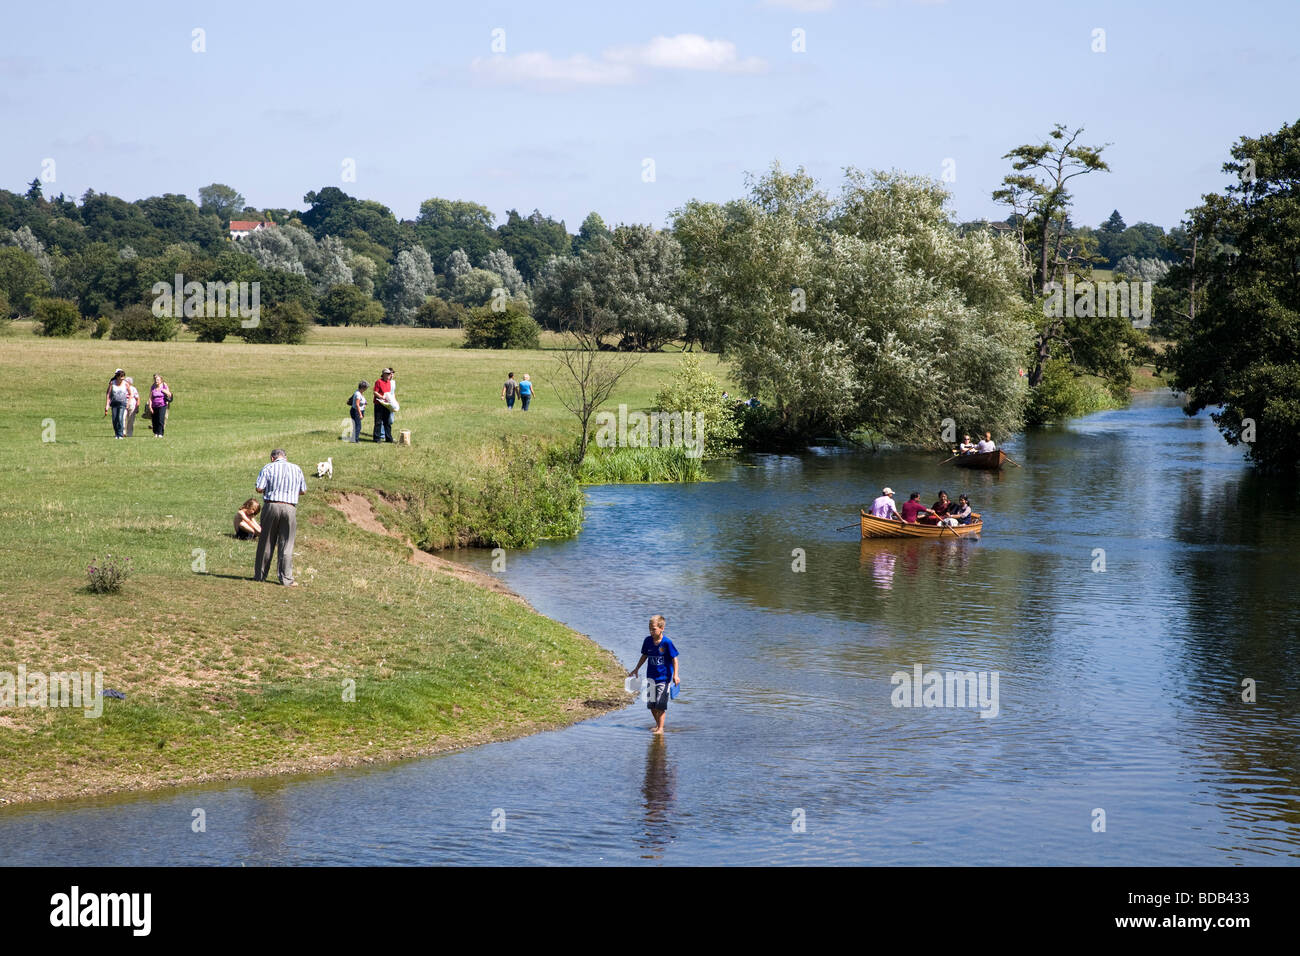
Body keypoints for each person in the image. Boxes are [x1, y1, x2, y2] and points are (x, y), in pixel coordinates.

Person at [253, 448, 307, 586]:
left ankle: (260, 576)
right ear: (285, 457)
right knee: (287, 544)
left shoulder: (268, 467)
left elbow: (259, 488)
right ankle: (286, 579)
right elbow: (303, 491)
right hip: (290, 507)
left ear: (272, 458)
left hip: (271, 505)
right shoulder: (297, 469)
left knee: (266, 542)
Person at [628, 615, 679, 735]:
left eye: (654, 629)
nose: (651, 631)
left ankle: (660, 729)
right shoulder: (647, 641)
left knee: (660, 704)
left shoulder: (667, 643)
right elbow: (644, 656)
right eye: (650, 628)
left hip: (664, 679)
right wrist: (636, 669)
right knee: (651, 705)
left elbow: (675, 659)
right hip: (651, 678)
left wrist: (675, 675)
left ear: (662, 628)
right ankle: (658, 725)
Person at [104, 369, 130, 439]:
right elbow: (108, 394)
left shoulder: (125, 383)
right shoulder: (112, 383)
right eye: (121, 377)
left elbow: (131, 394)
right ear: (117, 377)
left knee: (120, 418)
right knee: (114, 419)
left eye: (123, 377)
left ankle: (120, 434)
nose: (122, 379)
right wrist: (107, 405)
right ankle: (116, 434)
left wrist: (128, 402)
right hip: (114, 403)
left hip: (122, 403)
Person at [372, 368, 395, 442]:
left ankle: (388, 438)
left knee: (387, 422)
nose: (389, 375)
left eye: (390, 374)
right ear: (384, 374)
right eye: (388, 374)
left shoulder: (388, 382)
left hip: (386, 404)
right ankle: (377, 438)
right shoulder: (378, 382)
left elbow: (388, 393)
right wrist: (381, 397)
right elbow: (375, 392)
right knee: (378, 422)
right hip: (379, 404)